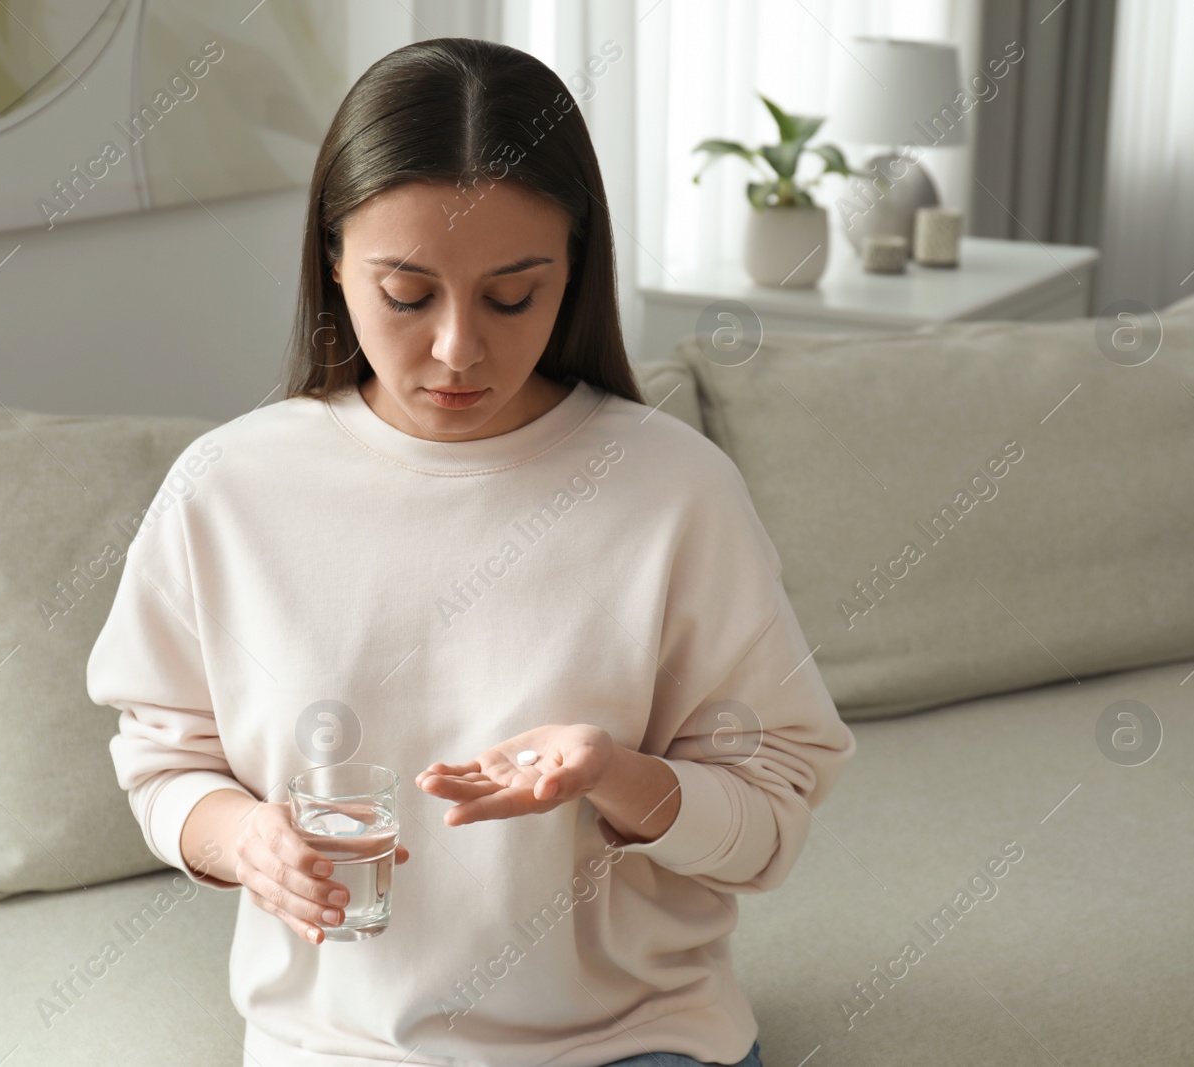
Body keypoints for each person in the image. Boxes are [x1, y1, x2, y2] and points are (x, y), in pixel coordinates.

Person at [86, 36, 857, 1067]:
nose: (458, 349)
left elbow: (768, 822)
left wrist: (619, 777)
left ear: (573, 269)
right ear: (331, 259)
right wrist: (242, 839)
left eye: (511, 295)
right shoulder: (226, 489)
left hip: (632, 1041)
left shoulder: (673, 490)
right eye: (407, 293)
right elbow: (162, 761)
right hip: (341, 1045)